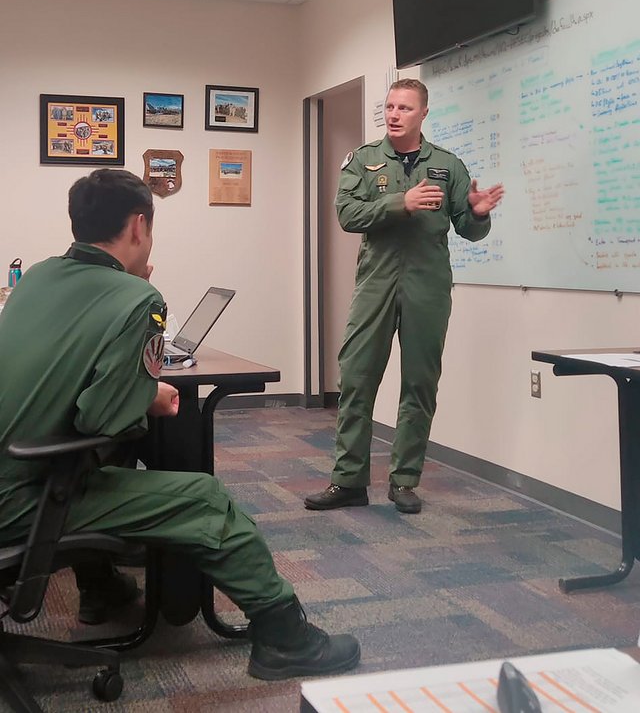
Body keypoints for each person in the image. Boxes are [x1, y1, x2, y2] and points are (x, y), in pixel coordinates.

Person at [0, 168, 360, 681]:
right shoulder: (137, 301)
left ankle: (101, 586)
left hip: (13, 465)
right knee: (204, 500)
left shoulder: (36, 275)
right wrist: (146, 392)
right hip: (19, 500)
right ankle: (286, 638)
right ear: (139, 226)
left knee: (102, 463)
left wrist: (136, 378)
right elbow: (105, 418)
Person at [305, 79, 504, 515]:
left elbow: (467, 230)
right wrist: (401, 203)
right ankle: (348, 480)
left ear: (423, 114)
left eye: (405, 108)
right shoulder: (363, 160)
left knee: (419, 383)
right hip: (375, 282)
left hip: (427, 286)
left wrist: (477, 214)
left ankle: (405, 480)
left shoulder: (448, 166)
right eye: (390, 107)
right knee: (356, 379)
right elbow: (347, 214)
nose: (394, 114)